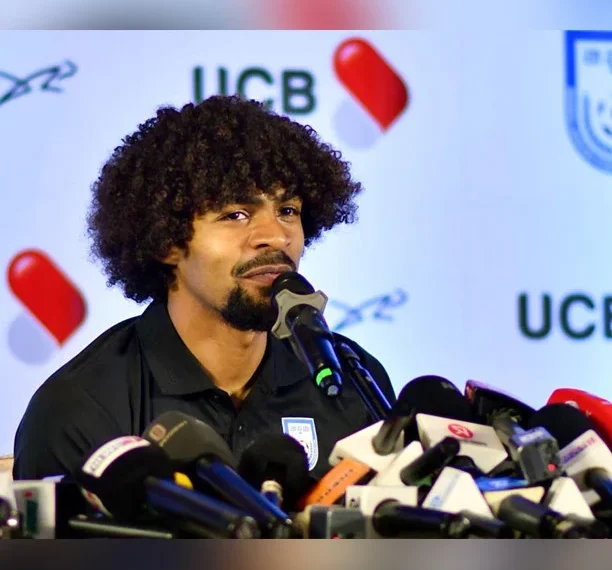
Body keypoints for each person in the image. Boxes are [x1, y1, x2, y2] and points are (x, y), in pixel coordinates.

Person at [13, 95, 396, 481]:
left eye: (287, 211)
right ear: (166, 242)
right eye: (236, 214)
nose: (276, 237)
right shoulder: (81, 408)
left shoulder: (354, 381)